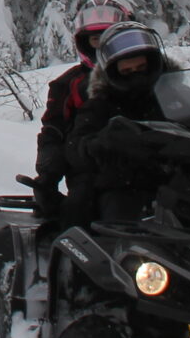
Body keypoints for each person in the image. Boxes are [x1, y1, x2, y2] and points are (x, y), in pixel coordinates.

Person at [31, 22, 172, 234]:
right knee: (88, 207)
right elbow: (75, 141)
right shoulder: (100, 102)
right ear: (114, 72)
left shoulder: (173, 94)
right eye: (127, 71)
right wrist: (98, 145)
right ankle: (83, 262)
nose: (136, 75)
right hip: (119, 180)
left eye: (141, 68)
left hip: (172, 177)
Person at [34, 0, 135, 182]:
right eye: (97, 39)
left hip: (151, 165)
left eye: (110, 37)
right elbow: (53, 131)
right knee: (80, 204)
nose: (104, 45)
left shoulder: (147, 71)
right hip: (91, 172)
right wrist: (48, 175)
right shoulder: (68, 84)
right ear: (85, 43)